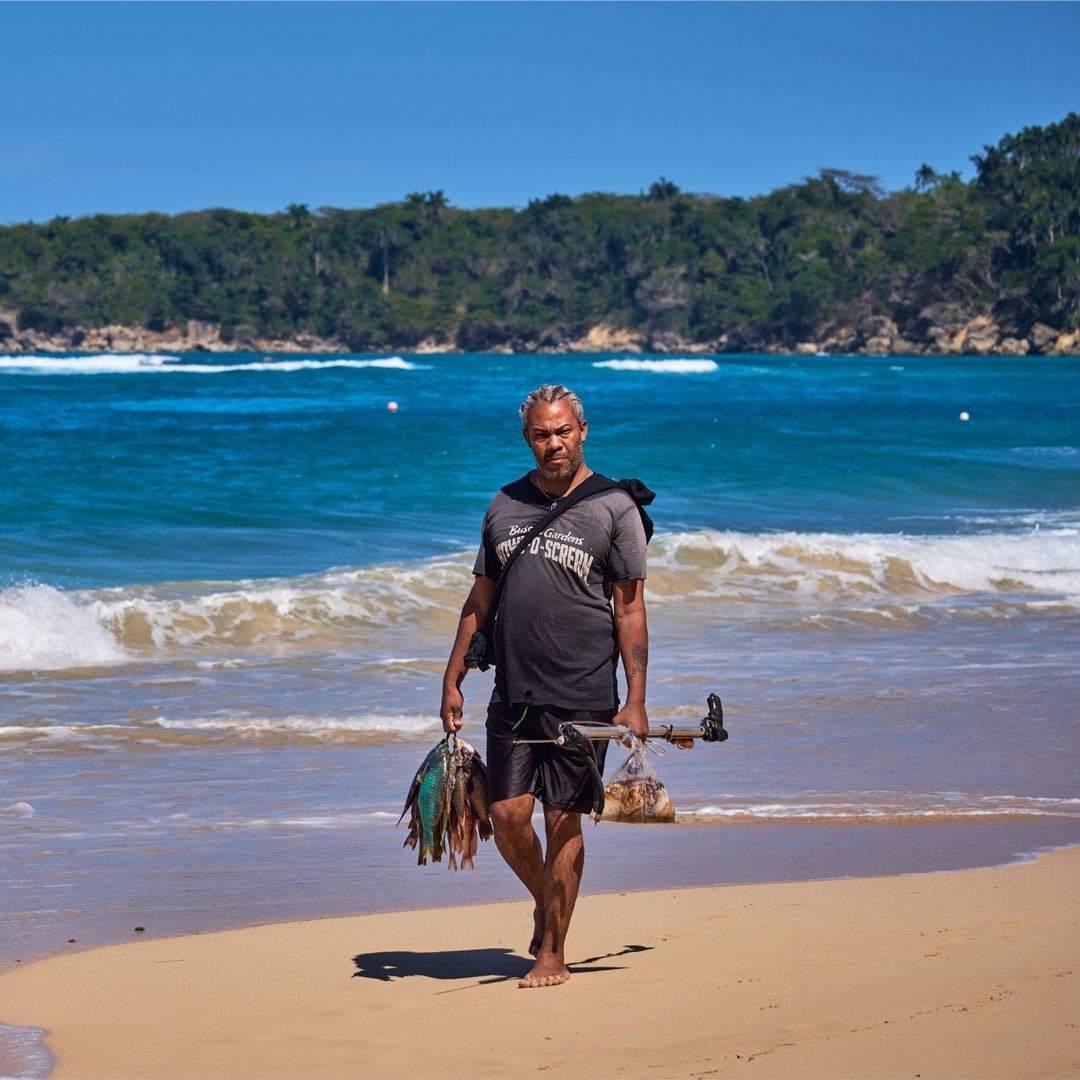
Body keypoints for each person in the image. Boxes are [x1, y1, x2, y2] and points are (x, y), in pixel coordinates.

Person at [440, 384, 649, 989]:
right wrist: (452, 676)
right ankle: (547, 902)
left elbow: (630, 610)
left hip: (584, 692)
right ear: (527, 437)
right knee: (506, 815)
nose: (553, 444)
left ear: (583, 431)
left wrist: (634, 697)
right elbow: (479, 598)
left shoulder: (614, 508)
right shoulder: (504, 504)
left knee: (563, 819)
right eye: (541, 434)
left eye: (562, 432)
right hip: (513, 689)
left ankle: (552, 950)